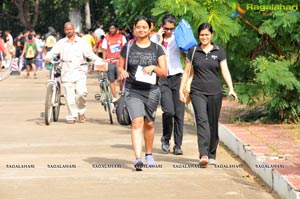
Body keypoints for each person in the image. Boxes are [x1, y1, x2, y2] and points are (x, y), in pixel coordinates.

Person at [179, 22, 238, 167]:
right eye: (201, 35)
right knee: (202, 120)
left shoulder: (219, 51)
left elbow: (225, 71)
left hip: (215, 92)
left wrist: (231, 88)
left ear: (211, 35)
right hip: (197, 91)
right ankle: (203, 154)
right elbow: (186, 72)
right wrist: (182, 89)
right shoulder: (193, 51)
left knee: (212, 123)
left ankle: (212, 153)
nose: (204, 37)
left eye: (206, 34)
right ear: (198, 36)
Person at [118, 16, 167, 171]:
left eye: (144, 27)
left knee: (149, 123)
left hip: (152, 90)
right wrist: (122, 72)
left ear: (150, 29)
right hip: (133, 90)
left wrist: (153, 67)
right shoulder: (128, 46)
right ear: (134, 28)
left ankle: (149, 154)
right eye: (138, 27)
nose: (141, 30)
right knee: (137, 122)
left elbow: (164, 72)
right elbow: (119, 66)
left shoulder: (158, 48)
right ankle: (138, 158)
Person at [45, 22, 106, 124]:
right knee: (69, 97)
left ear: (74, 30)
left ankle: (81, 112)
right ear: (65, 31)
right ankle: (71, 116)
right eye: (67, 29)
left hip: (80, 72)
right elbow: (53, 52)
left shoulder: (82, 42)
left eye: (70, 29)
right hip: (66, 72)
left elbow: (90, 55)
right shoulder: (61, 43)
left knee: (81, 94)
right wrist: (48, 57)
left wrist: (100, 61)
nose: (69, 31)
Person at [151, 14, 185, 155]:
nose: (169, 31)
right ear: (161, 27)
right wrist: (159, 40)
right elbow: (153, 55)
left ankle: (178, 145)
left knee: (179, 113)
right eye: (166, 28)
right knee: (168, 111)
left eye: (172, 29)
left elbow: (188, 52)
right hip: (163, 78)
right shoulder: (154, 39)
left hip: (177, 77)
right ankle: (166, 138)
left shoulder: (178, 38)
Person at [102, 22, 127, 100]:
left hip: (120, 62)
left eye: (113, 28)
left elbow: (125, 49)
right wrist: (104, 61)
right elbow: (104, 50)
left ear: (116, 29)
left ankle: (121, 92)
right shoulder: (106, 38)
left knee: (120, 79)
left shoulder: (121, 37)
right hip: (110, 62)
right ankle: (114, 97)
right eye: (110, 28)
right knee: (111, 80)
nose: (111, 30)